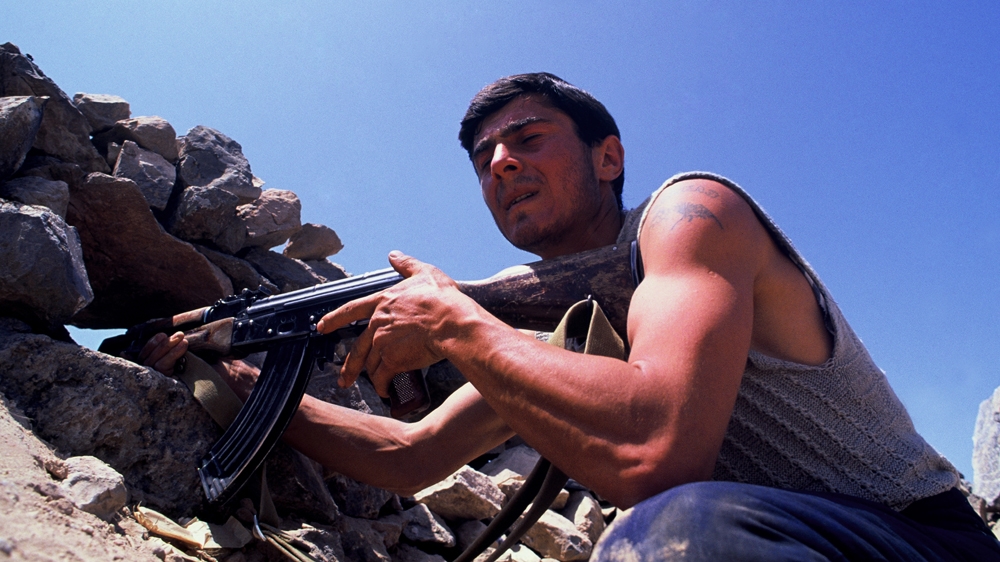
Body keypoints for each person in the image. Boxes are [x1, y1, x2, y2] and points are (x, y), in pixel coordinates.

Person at [140, 73, 1000, 560]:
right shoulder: (560, 330)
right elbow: (412, 456)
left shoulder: (691, 216)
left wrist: (456, 323)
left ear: (609, 155)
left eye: (528, 138)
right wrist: (246, 380)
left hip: (925, 540)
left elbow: (659, 455)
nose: (501, 164)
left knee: (671, 531)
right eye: (484, 159)